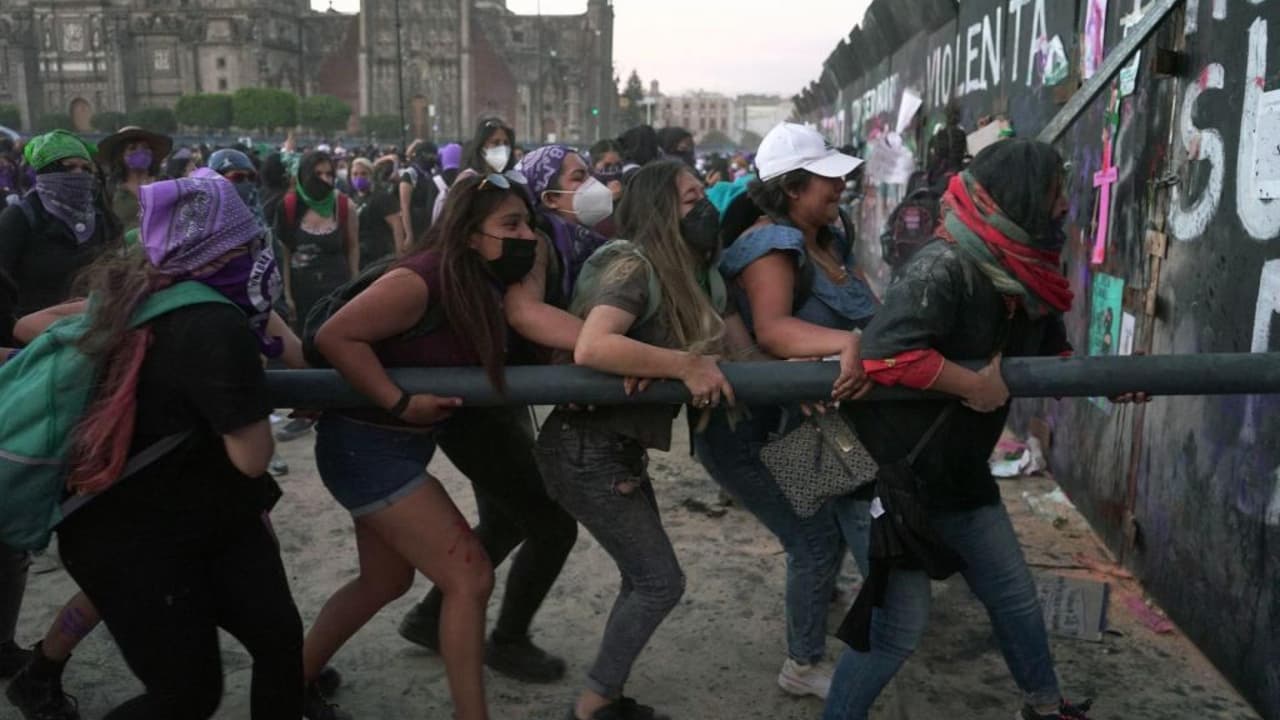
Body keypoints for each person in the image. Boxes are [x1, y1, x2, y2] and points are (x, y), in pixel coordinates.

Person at [823, 139, 1107, 720]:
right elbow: (885, 355)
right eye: (1054, 192)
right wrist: (971, 385)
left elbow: (1049, 357)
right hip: (878, 471)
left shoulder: (1026, 271)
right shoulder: (942, 264)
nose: (1062, 207)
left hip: (953, 473)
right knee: (897, 628)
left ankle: (1045, 706)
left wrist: (1110, 379)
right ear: (1025, 196)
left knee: (1014, 597)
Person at [53, 169, 304, 719]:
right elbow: (253, 456)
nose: (258, 251)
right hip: (137, 540)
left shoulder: (141, 291)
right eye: (247, 241)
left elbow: (33, 327)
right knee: (186, 696)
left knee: (280, 640)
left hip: (205, 520)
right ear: (218, 252)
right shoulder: (213, 324)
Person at [302, 172, 544, 720]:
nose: (526, 235)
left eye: (528, 222)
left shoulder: (475, 280)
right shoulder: (422, 278)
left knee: (384, 581)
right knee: (471, 575)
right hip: (368, 450)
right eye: (510, 224)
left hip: (391, 452)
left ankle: (292, 678)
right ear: (467, 232)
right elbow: (336, 336)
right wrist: (398, 402)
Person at [534, 160, 743, 720]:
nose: (707, 209)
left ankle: (605, 693)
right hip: (586, 447)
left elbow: (733, 348)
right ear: (659, 209)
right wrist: (680, 364)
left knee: (644, 578)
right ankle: (596, 701)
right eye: (692, 199)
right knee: (660, 582)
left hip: (612, 448)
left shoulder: (694, 272)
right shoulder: (631, 264)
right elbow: (594, 347)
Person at [396, 147, 613, 684]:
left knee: (505, 520)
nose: (592, 186)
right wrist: (606, 348)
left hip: (494, 401)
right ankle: (509, 640)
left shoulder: (558, 241)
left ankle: (429, 618)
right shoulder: (531, 247)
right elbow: (525, 316)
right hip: (475, 411)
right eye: (577, 176)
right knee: (551, 525)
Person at [704, 122, 880, 700]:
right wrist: (844, 344)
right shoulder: (771, 246)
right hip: (760, 433)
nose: (840, 186)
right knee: (815, 540)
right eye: (827, 178)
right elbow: (776, 331)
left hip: (808, 423)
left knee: (839, 521)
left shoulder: (824, 238)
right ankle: (803, 663)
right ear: (791, 187)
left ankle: (845, 609)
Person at [275, 150, 359, 331]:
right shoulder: (289, 207)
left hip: (337, 293)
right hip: (302, 296)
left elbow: (352, 248)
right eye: (318, 174)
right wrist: (287, 295)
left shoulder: (344, 206)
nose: (325, 179)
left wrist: (355, 287)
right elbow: (285, 254)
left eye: (329, 174)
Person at [96, 126, 171, 231]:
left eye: (145, 148)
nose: (140, 152)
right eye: (132, 148)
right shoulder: (111, 189)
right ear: (120, 156)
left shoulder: (165, 183)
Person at [352, 157, 403, 268]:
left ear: (371, 175)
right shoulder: (354, 199)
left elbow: (396, 224)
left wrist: (400, 255)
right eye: (355, 174)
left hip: (379, 257)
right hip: (362, 257)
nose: (359, 177)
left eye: (363, 174)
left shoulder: (381, 197)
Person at [399, 141, 441, 249]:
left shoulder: (432, 172)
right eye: (428, 155)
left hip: (430, 224)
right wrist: (408, 234)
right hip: (416, 224)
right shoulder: (410, 174)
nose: (432, 158)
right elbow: (405, 207)